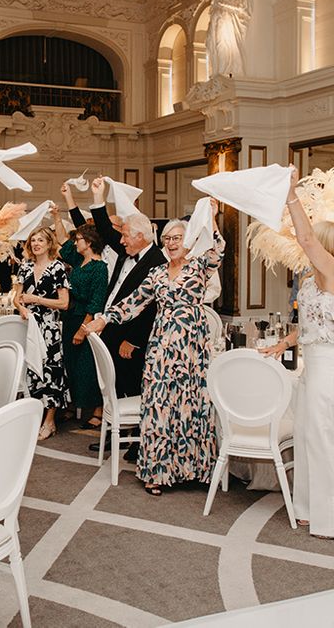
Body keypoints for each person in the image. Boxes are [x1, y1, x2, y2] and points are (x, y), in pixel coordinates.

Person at [83, 202, 224, 495]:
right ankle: (158, 472)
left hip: (192, 347)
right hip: (161, 345)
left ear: (188, 241)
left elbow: (217, 249)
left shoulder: (200, 267)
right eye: (167, 239)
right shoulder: (157, 273)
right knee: (159, 404)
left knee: (191, 404)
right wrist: (104, 319)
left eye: (177, 238)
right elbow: (133, 303)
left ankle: (193, 470)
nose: (171, 244)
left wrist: (211, 218)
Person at [265, 166, 334, 538]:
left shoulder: (333, 271)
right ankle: (307, 508)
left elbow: (306, 239)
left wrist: (291, 194)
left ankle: (330, 515)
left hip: (331, 370)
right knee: (309, 437)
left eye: (316, 243)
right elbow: (309, 324)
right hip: (313, 369)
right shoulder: (311, 280)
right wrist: (284, 343)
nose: (306, 246)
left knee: (325, 439)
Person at [87, 178, 167, 461]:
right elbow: (106, 233)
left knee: (133, 386)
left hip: (130, 336)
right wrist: (98, 198)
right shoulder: (129, 250)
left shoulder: (157, 261)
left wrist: (132, 341)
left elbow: (152, 307)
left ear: (141, 236)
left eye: (126, 236)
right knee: (115, 385)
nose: (120, 240)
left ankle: (138, 441)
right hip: (111, 325)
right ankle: (118, 433)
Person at [52, 205, 108, 427]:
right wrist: (57, 216)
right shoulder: (77, 260)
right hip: (70, 316)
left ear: (90, 242)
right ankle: (72, 405)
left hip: (85, 320)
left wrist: (83, 330)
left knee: (87, 367)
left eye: (80, 239)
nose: (76, 242)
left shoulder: (99, 268)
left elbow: (96, 303)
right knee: (70, 364)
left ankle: (96, 411)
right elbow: (62, 242)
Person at [13, 226, 69, 440]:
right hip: (29, 326)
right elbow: (17, 298)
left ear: (49, 244)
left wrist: (36, 300)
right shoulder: (25, 267)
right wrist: (22, 307)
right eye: (33, 240)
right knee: (33, 372)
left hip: (50, 328)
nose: (36, 244)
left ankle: (50, 420)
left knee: (51, 371)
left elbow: (64, 303)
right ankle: (35, 415)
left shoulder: (57, 268)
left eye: (41, 241)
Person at [204, 0, 250, 78]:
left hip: (227, 18)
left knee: (224, 43)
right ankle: (219, 71)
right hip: (217, 19)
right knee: (213, 44)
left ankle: (228, 70)